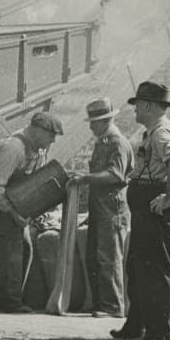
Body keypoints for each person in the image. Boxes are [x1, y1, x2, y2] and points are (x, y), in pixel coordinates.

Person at [110, 80, 170, 340]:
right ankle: (136, 326)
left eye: (138, 106)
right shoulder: (160, 130)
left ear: (147, 106)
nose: (135, 112)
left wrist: (168, 197)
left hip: (156, 207)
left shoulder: (161, 133)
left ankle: (160, 334)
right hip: (151, 207)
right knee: (138, 267)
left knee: (154, 272)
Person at [0, 111, 64, 313]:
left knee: (18, 245)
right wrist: (13, 214)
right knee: (12, 243)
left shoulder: (37, 149)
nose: (53, 141)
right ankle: (9, 302)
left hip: (5, 194)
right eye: (51, 135)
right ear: (38, 130)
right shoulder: (15, 148)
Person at [68, 97, 134, 318]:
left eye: (94, 122)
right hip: (100, 207)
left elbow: (115, 174)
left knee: (109, 257)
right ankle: (100, 305)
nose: (91, 126)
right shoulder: (103, 142)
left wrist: (85, 178)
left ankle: (113, 307)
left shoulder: (117, 143)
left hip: (113, 209)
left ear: (106, 121)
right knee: (94, 256)